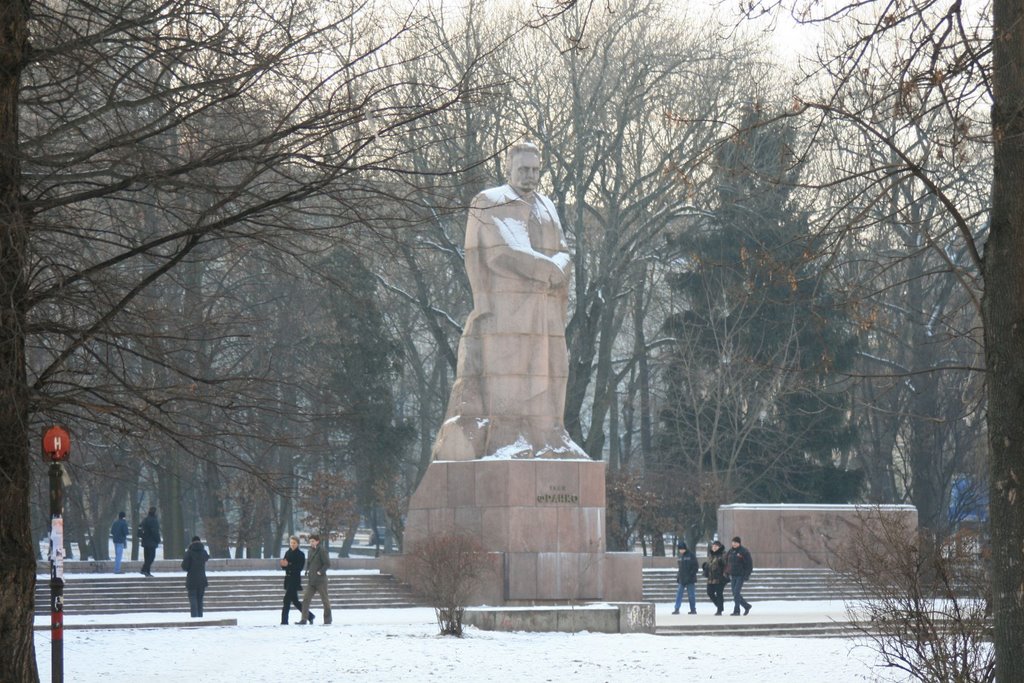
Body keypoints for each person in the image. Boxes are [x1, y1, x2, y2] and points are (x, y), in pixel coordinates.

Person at [431, 141, 586, 460]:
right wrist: (549, 267)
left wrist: (561, 265)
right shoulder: (490, 201)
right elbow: (501, 252)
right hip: (508, 310)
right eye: (523, 170)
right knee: (510, 374)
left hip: (546, 309)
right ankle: (508, 439)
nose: (529, 176)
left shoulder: (547, 205)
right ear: (508, 169)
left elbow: (564, 251)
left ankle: (548, 436)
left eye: (534, 170)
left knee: (552, 370)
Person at [298, 534, 331, 625]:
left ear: (317, 541)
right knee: (305, 600)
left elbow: (327, 564)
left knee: (325, 601)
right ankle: (304, 619)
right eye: (310, 541)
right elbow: (309, 562)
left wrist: (320, 571)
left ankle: (328, 620)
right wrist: (307, 571)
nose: (311, 543)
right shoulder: (310, 551)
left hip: (321, 580)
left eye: (313, 541)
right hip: (311, 580)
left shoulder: (322, 550)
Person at [280, 535, 313, 625]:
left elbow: (299, 568)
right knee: (295, 601)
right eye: (291, 543)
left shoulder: (300, 554)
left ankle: (284, 621)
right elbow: (284, 566)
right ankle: (310, 616)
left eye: (294, 543)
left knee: (286, 599)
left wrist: (288, 565)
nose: (292, 544)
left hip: (295, 580)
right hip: (288, 579)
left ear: (298, 544)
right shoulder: (287, 552)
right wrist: (283, 565)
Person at [180, 536, 209, 618]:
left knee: (193, 598)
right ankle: (200, 616)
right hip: (202, 579)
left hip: (191, 579)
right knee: (200, 599)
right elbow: (207, 558)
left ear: (192, 542)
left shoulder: (189, 552)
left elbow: (184, 566)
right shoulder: (204, 552)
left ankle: (194, 616)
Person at [724, 535, 753, 616]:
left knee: (736, 592)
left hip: (741, 575)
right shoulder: (730, 551)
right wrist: (726, 572)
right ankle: (746, 606)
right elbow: (727, 563)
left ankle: (737, 610)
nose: (734, 544)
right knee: (734, 593)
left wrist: (747, 574)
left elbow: (749, 564)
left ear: (739, 543)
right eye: (733, 542)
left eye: (736, 543)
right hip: (733, 575)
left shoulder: (744, 551)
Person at [672, 542, 699, 615]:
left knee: (691, 595)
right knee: (679, 594)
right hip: (682, 578)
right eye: (680, 549)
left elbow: (695, 567)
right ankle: (676, 608)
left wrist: (691, 575)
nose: (681, 551)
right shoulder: (680, 556)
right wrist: (678, 577)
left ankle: (693, 609)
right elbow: (680, 568)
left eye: (682, 549)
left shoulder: (691, 555)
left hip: (690, 579)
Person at [702, 539, 727, 615]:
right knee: (710, 593)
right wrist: (705, 566)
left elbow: (726, 564)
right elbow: (710, 565)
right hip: (711, 578)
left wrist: (722, 562)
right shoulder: (711, 555)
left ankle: (719, 610)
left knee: (719, 594)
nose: (714, 547)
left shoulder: (723, 554)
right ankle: (720, 606)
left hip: (720, 578)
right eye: (713, 546)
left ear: (719, 547)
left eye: (716, 546)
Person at [139, 507, 161, 577]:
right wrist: (158, 540)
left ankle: (147, 572)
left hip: (145, 541)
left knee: (147, 557)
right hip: (151, 542)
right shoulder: (154, 520)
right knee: (151, 557)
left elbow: (140, 527)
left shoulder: (145, 519)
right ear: (154, 512)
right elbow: (155, 532)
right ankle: (144, 569)